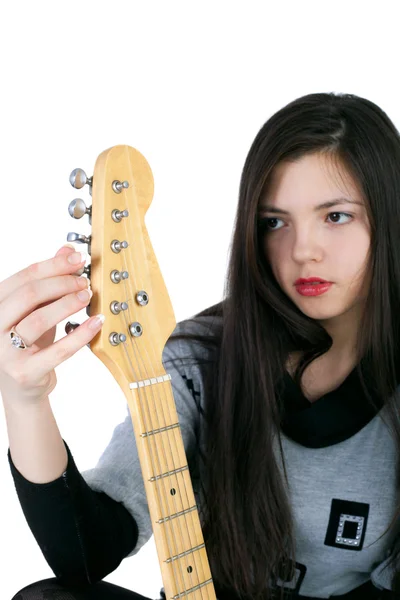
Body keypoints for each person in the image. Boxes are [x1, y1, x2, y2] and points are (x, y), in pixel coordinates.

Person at [2, 91, 399, 600]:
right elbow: (90, 550)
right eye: (274, 222)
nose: (302, 250)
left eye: (336, 216)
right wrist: (24, 400)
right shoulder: (197, 358)